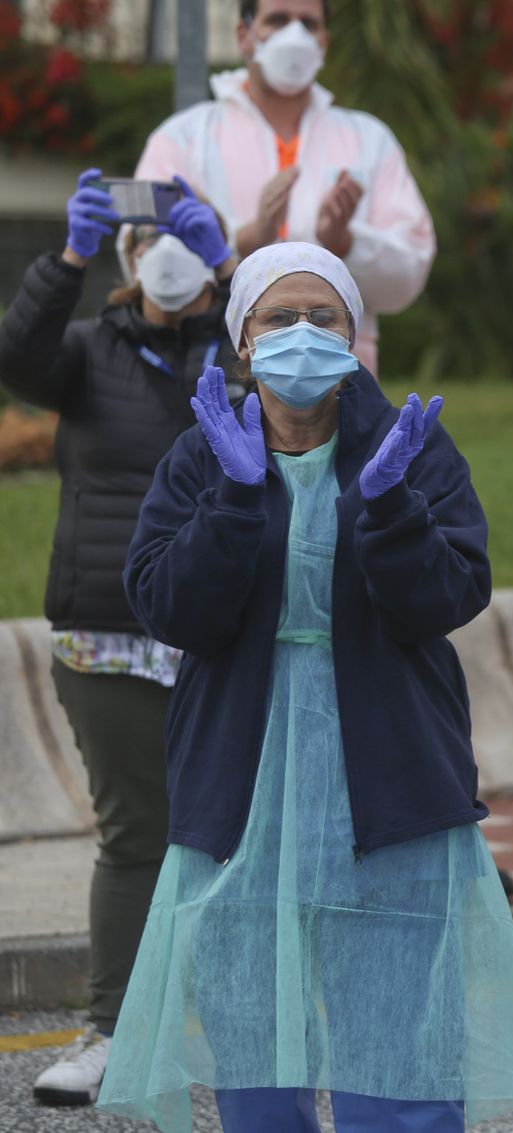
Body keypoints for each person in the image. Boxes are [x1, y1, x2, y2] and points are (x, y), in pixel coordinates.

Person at [97, 243, 513, 1131]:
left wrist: (389, 509)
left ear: (355, 337)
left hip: (388, 774)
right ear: (241, 342)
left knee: (397, 1039)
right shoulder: (202, 455)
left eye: (324, 317)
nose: (301, 334)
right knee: (254, 1032)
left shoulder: (407, 445)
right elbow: (168, 607)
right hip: (241, 777)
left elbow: (451, 594)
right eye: (278, 317)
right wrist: (232, 499)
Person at [0, 169, 237, 1108]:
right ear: (128, 257)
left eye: (185, 238)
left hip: (222, 629)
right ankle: (114, 1029)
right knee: (137, 833)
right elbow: (18, 357)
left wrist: (233, 265)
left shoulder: (239, 341)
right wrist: (64, 258)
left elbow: (295, 389)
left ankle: (242, 1023)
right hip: (108, 634)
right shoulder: (90, 349)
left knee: (234, 831)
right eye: (151, 238)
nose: (167, 254)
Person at [134, 0, 435, 375]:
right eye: (277, 20)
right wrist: (243, 240)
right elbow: (143, 263)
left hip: (340, 385)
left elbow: (409, 274)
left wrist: (344, 242)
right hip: (210, 370)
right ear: (243, 36)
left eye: (308, 24)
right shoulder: (182, 138)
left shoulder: (368, 140)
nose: (295, 35)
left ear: (324, 41)